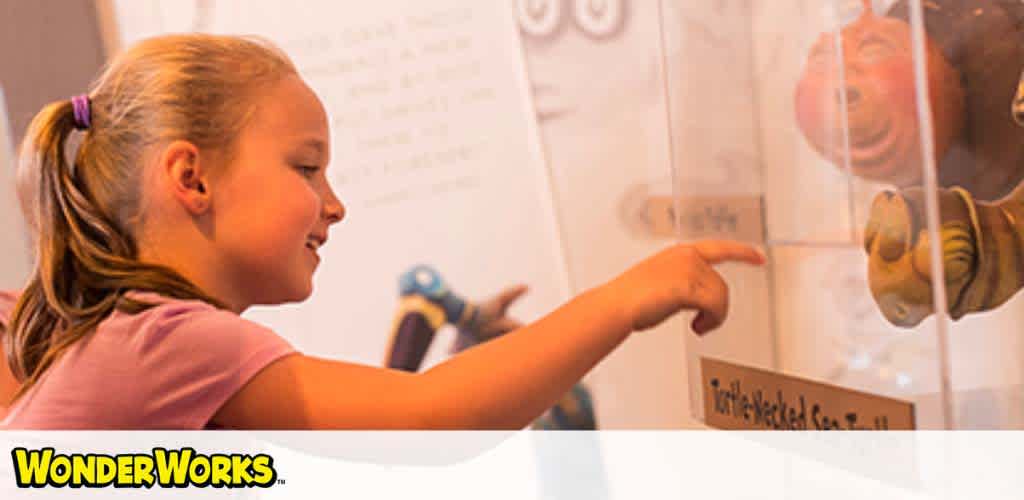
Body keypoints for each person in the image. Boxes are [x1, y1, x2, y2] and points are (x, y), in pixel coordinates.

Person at [0, 33, 763, 429]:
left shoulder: (120, 338)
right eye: (308, 169)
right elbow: (427, 422)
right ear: (192, 179)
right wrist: (626, 297)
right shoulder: (170, 341)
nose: (334, 205)